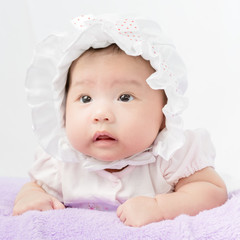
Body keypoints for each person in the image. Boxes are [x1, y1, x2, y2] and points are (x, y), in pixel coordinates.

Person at [13, 14, 227, 227]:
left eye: (125, 97)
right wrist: (31, 197)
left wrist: (160, 207)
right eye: (85, 98)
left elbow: (211, 191)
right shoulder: (62, 165)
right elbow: (35, 187)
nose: (101, 114)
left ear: (165, 114)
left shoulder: (170, 156)